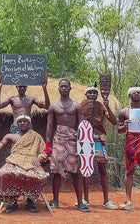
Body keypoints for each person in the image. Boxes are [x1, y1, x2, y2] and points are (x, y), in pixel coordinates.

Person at [0, 115, 48, 213]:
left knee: (40, 175)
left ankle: (30, 201)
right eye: (20, 121)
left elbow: (44, 151)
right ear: (17, 124)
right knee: (4, 174)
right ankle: (12, 202)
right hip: (14, 161)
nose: (22, 123)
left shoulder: (36, 136)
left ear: (29, 124)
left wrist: (39, 159)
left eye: (25, 121)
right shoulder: (10, 136)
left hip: (31, 161)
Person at [45, 79, 89, 212]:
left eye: (66, 86)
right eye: (61, 86)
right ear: (58, 89)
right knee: (56, 171)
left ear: (70, 88)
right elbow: (50, 126)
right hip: (58, 140)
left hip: (73, 140)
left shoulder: (77, 106)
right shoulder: (53, 107)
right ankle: (55, 200)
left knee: (76, 172)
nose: (63, 88)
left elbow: (82, 126)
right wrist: (48, 144)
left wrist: (82, 144)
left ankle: (80, 202)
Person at [80, 85, 118, 209]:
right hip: (84, 139)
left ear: (97, 95)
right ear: (86, 94)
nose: (92, 95)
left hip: (99, 139)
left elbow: (114, 121)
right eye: (89, 92)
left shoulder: (101, 106)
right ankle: (85, 200)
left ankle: (106, 200)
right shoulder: (80, 106)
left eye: (94, 93)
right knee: (86, 168)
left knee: (102, 169)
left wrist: (107, 105)